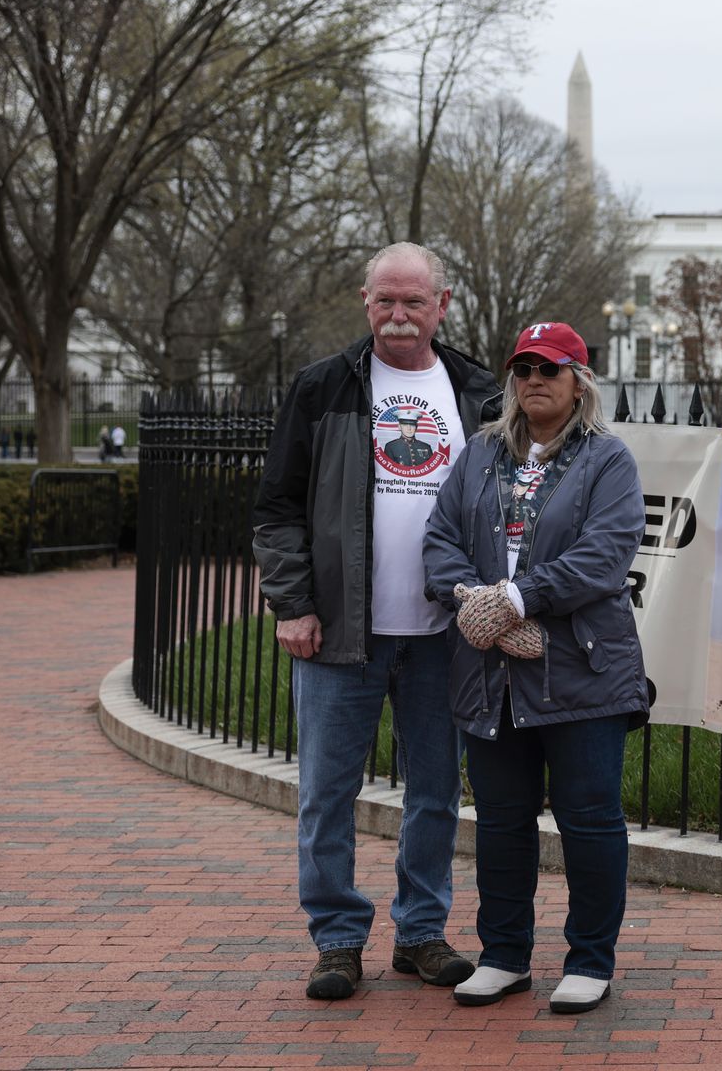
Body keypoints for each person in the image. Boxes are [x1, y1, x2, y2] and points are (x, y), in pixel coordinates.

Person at [251, 242, 499, 1000]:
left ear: (441, 306)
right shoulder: (323, 388)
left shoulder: (479, 395)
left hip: (444, 636)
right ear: (366, 301)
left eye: (413, 302)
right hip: (340, 635)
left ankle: (421, 932)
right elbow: (277, 507)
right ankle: (336, 938)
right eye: (385, 301)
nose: (398, 316)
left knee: (435, 792)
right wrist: (292, 604)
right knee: (328, 792)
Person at [422, 321, 647, 1014]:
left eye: (549, 369)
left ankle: (589, 960)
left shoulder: (608, 461)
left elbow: (604, 557)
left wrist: (516, 599)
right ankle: (504, 955)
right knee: (500, 818)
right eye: (522, 369)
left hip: (581, 669)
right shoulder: (480, 455)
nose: (533, 381)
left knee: (588, 818)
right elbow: (439, 541)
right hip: (491, 673)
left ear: (580, 382)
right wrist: (470, 600)